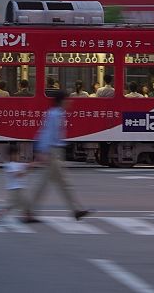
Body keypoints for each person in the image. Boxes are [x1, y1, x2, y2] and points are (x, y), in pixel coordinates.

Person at [24, 90, 91, 223]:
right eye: (68, 99)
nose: (70, 101)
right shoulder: (55, 115)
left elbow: (45, 132)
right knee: (54, 183)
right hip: (52, 152)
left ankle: (75, 210)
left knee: (57, 183)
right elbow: (47, 133)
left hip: (54, 151)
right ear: (62, 101)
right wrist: (43, 151)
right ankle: (29, 212)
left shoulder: (56, 113)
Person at [0, 144, 29, 222]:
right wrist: (25, 171)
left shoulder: (16, 164)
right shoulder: (9, 165)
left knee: (13, 204)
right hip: (14, 188)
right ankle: (25, 216)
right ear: (11, 155)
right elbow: (16, 175)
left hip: (18, 188)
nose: (18, 156)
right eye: (17, 154)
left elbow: (27, 165)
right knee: (22, 202)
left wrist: (37, 163)